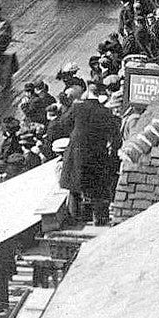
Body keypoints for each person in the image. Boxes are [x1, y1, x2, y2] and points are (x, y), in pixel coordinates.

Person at [53, 88, 120, 226]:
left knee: (74, 187)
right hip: (97, 153)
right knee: (97, 187)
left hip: (77, 153)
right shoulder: (106, 112)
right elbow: (115, 137)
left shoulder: (77, 108)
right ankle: (99, 218)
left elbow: (63, 123)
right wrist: (112, 154)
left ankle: (75, 218)